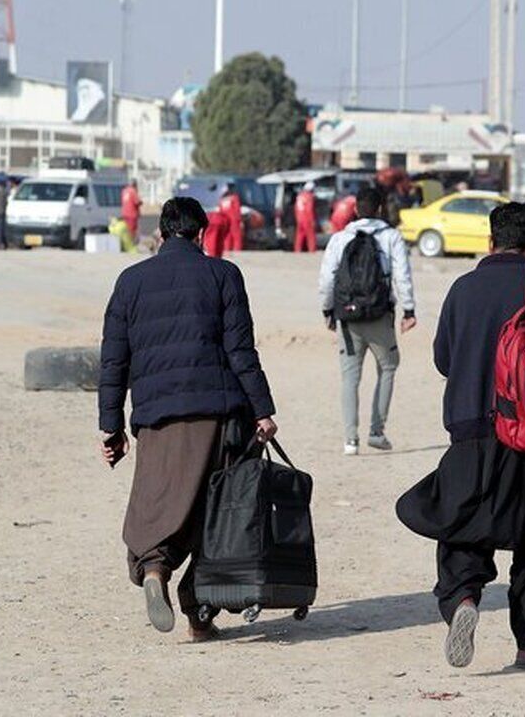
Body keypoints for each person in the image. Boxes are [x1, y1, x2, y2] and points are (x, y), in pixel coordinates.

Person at [396, 202, 525, 672]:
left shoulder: (462, 288)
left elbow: (445, 358)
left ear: (489, 241)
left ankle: (463, 597)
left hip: (471, 429)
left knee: (462, 525)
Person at [98, 196, 277, 641]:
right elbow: (240, 351)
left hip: (156, 416)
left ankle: (155, 567)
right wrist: (263, 410)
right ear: (201, 234)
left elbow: (113, 360)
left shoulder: (130, 281)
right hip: (217, 414)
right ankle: (199, 615)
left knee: (160, 500)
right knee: (216, 514)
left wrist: (112, 427)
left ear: (160, 234)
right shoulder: (223, 275)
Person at [318, 187, 417, 455]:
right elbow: (402, 275)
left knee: (350, 376)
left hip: (347, 318)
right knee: (388, 366)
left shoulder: (340, 238)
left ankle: (350, 440)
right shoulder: (391, 237)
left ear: (355, 210)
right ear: (381, 209)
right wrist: (409, 310)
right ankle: (376, 430)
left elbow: (327, 278)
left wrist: (328, 310)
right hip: (379, 314)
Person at [294, 182, 318, 253]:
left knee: (299, 235)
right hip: (307, 218)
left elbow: (296, 208)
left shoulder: (299, 196)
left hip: (300, 218)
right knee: (311, 235)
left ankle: (297, 250)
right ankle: (312, 250)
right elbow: (309, 209)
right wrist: (312, 220)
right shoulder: (309, 197)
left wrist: (297, 217)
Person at [219, 184, 244, 253]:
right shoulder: (234, 197)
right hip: (234, 219)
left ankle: (227, 249)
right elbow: (237, 209)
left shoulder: (222, 199)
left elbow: (221, 210)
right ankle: (237, 249)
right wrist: (240, 220)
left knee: (227, 235)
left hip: (225, 219)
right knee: (237, 235)